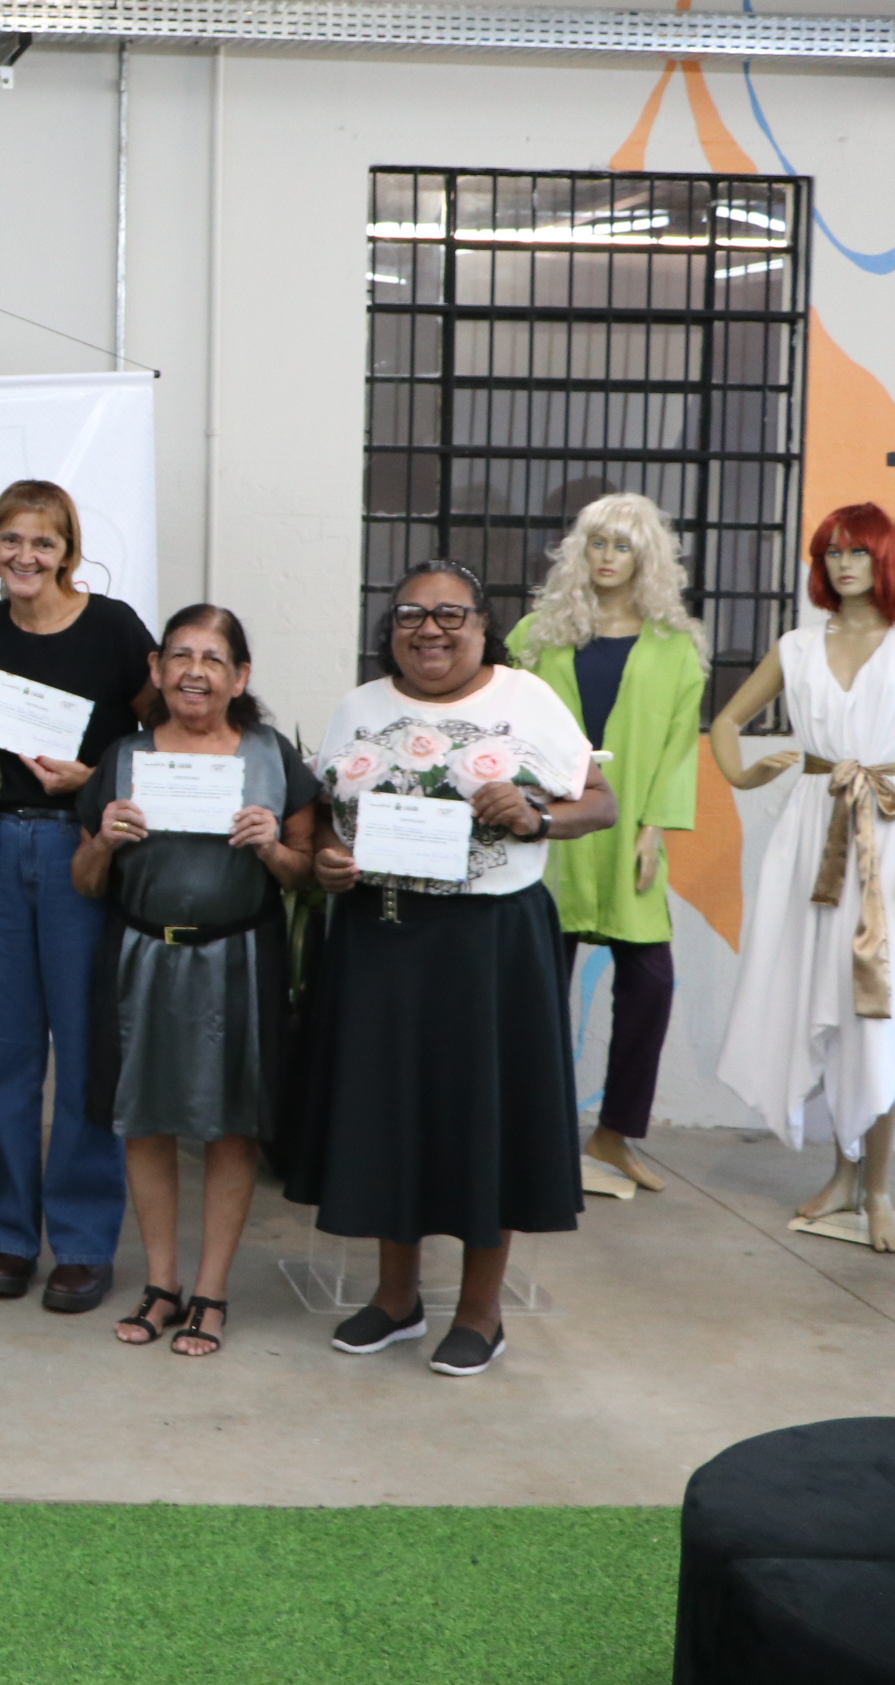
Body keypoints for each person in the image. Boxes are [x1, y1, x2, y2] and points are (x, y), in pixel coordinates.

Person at [288, 560, 614, 1379]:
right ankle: (395, 1299)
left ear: (481, 624)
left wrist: (538, 817)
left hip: (489, 944)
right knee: (388, 1115)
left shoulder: (526, 699)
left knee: (484, 1121)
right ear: (390, 625)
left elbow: (600, 802)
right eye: (411, 614)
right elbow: (326, 816)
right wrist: (326, 859)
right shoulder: (359, 707)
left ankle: (480, 1313)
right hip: (380, 936)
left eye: (449, 615)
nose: (429, 629)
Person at [0, 479, 157, 1315]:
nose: (25, 556)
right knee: (9, 1052)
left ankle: (85, 1243)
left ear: (68, 551)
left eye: (43, 542)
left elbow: (164, 729)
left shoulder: (113, 627)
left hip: (81, 848)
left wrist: (94, 778)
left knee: (85, 1050)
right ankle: (10, 1236)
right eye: (11, 540)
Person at [711, 504, 895, 1253]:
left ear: (886, 559)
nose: (843, 565)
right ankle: (844, 1177)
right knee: (821, 1001)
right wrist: (745, 776)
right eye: (831, 553)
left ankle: (877, 1188)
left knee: (879, 1008)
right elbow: (725, 722)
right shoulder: (795, 647)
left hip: (891, 832)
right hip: (811, 837)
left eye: (858, 552)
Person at [70, 607, 318, 1358]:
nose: (195, 672)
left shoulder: (271, 756)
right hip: (142, 957)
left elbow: (308, 875)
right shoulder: (125, 757)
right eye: (180, 656)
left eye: (213, 659)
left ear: (240, 677)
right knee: (144, 1122)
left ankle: (211, 1292)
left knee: (231, 1127)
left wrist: (271, 848)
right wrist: (104, 842)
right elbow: (85, 882)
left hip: (239, 957)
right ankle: (162, 1283)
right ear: (156, 670)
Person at [508, 494, 708, 1194]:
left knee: (650, 983)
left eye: (623, 546)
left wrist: (655, 827)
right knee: (538, 984)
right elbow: (504, 722)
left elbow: (680, 747)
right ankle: (533, 1131)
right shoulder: (538, 634)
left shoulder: (675, 648)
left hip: (628, 831)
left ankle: (614, 1132)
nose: (607, 558)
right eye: (597, 543)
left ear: (647, 557)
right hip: (550, 830)